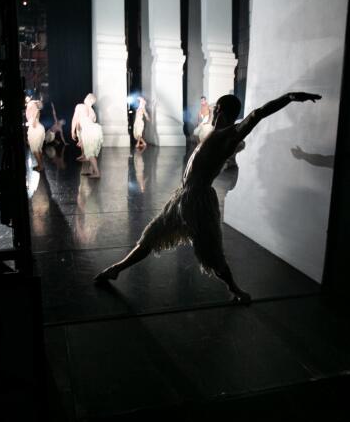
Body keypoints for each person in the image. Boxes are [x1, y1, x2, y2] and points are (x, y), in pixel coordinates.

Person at [94, 91, 322, 303]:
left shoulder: (231, 134)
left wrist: (290, 98)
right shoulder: (214, 132)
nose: (212, 112)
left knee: (210, 251)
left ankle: (234, 289)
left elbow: (257, 114)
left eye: (215, 109)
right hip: (182, 198)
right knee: (152, 235)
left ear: (220, 109)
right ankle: (117, 269)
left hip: (199, 201)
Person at [71, 93, 103, 178]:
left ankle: (97, 173)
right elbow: (91, 122)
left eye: (86, 97)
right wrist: (82, 140)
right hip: (96, 130)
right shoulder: (93, 112)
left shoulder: (80, 106)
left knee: (90, 153)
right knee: (92, 151)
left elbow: (75, 120)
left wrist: (72, 131)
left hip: (88, 131)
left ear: (88, 99)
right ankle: (91, 170)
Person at [25, 98, 44, 171]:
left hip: (35, 128)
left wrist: (33, 122)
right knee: (38, 149)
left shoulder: (31, 103)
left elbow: (37, 111)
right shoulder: (33, 104)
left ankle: (40, 166)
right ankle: (40, 164)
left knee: (35, 149)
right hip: (37, 127)